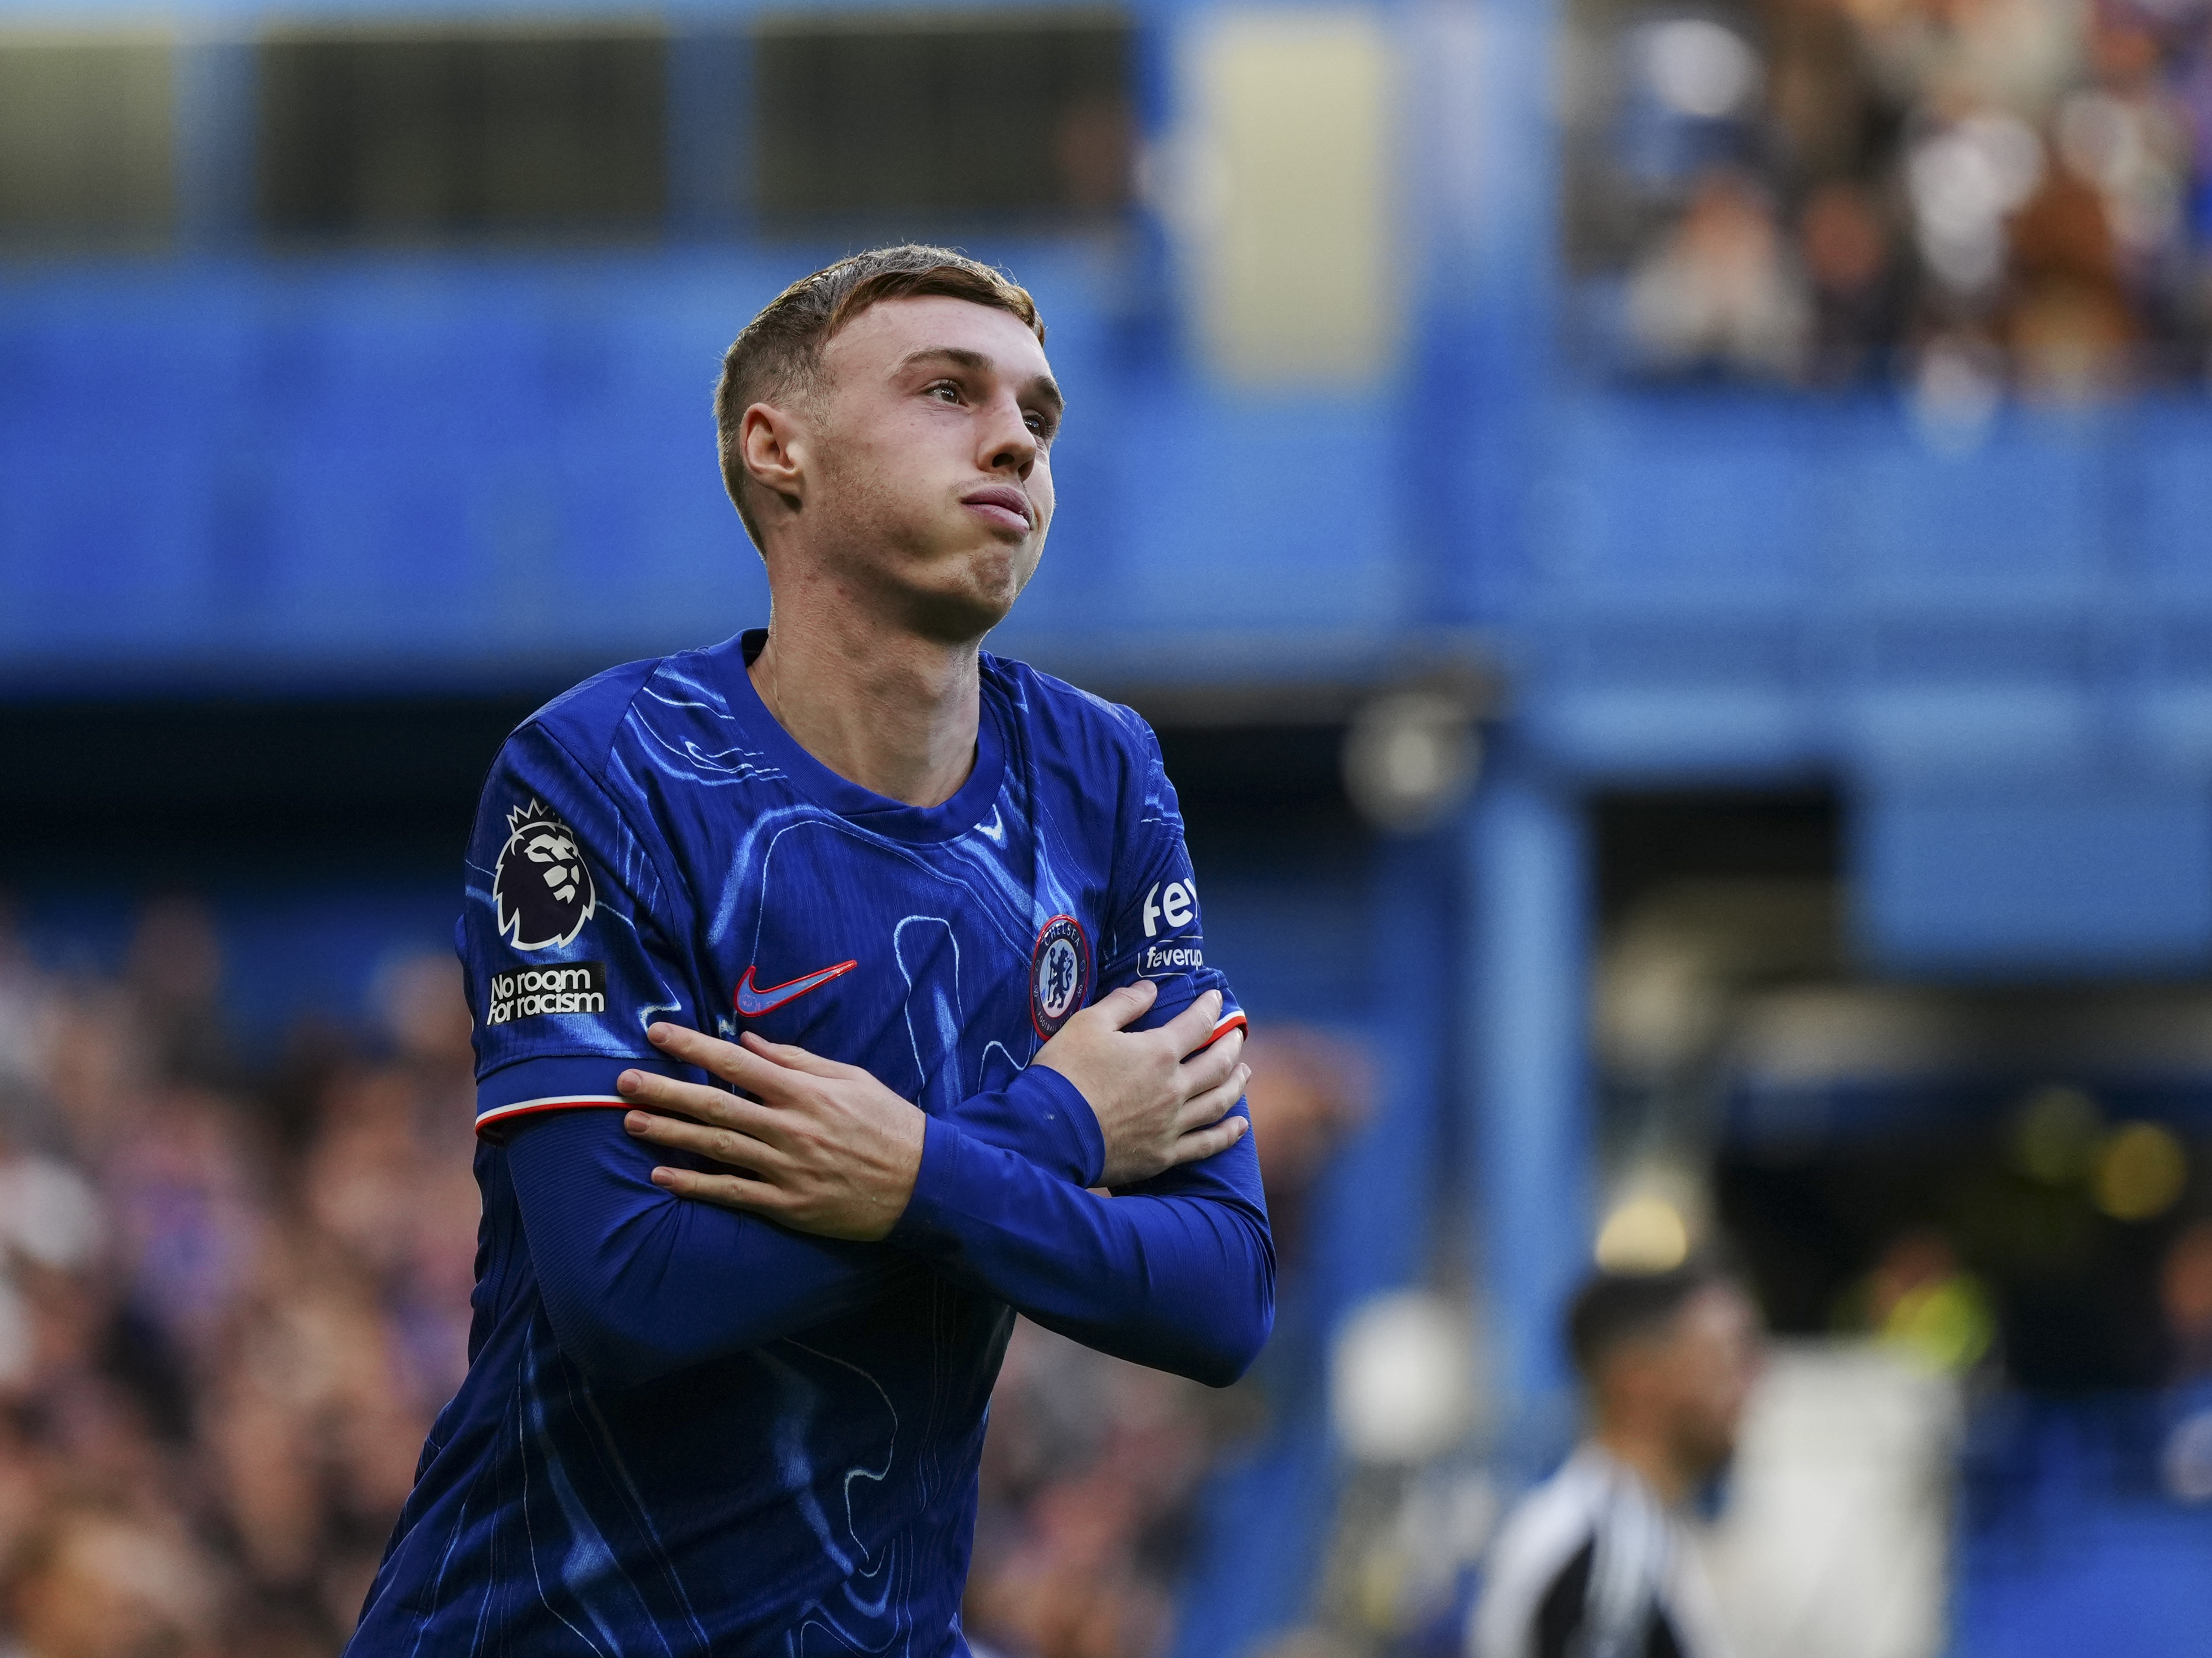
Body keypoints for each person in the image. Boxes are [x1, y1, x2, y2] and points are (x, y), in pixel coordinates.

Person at [345, 245, 1274, 1655]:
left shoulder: (1102, 774)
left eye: (1038, 412)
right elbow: (634, 1287)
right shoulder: (604, 773)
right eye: (946, 391)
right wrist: (1049, 1127)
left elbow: (1217, 1287)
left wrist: (907, 1174)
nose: (1015, 436)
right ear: (777, 448)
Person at [1467, 1264, 1763, 1658]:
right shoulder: (1612, 1556)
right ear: (1638, 1379)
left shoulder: (1630, 1533)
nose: (1748, 1390)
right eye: (1723, 1361)